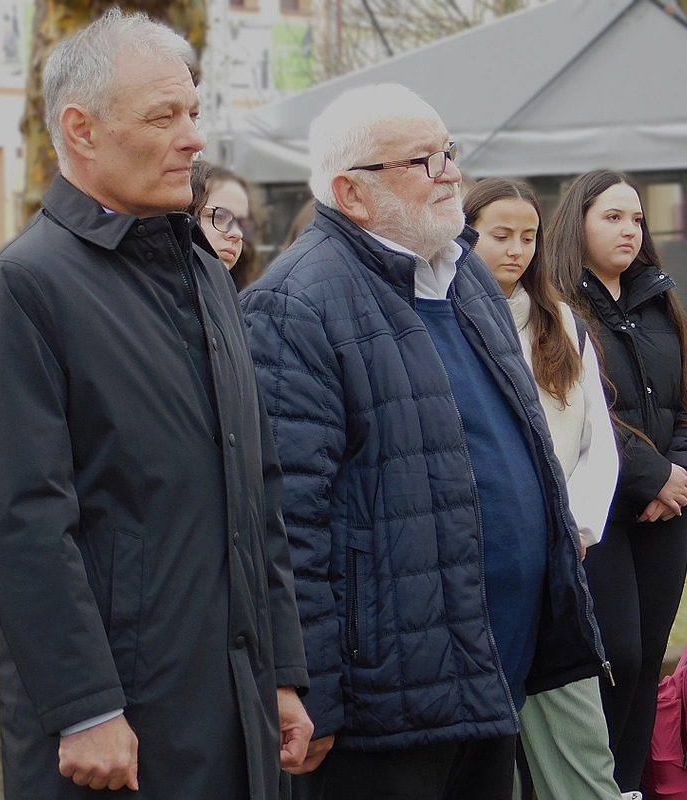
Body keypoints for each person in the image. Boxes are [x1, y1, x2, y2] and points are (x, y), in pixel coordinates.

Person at [0, 11, 311, 798]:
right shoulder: (23, 288)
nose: (193, 138)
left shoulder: (206, 274)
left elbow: (259, 489)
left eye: (194, 111)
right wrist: (85, 706)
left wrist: (282, 672)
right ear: (80, 130)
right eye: (164, 116)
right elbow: (22, 523)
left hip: (232, 699)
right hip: (125, 727)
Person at [240, 83, 607, 800]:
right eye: (421, 160)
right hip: (390, 699)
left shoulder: (463, 274)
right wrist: (307, 686)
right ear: (353, 192)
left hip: (492, 669)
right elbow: (288, 522)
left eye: (448, 151)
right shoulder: (297, 304)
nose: (449, 173)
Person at [549, 168, 687, 794]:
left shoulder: (661, 302)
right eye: (612, 217)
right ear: (578, 224)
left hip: (666, 513)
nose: (629, 230)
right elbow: (582, 409)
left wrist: (686, 478)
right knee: (614, 655)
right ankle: (592, 782)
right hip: (601, 513)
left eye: (636, 218)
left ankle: (628, 785)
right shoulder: (559, 309)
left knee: (648, 656)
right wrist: (654, 477)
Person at [463, 177, 626, 800]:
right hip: (478, 564)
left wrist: (578, 526)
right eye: (499, 235)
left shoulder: (561, 324)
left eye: (528, 237)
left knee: (580, 741)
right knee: (487, 747)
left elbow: (597, 446)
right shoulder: (441, 322)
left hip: (555, 559)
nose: (516, 250)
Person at [189, 159, 265, 290]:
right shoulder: (156, 299)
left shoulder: (242, 302)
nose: (237, 233)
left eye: (243, 224)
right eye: (218, 216)